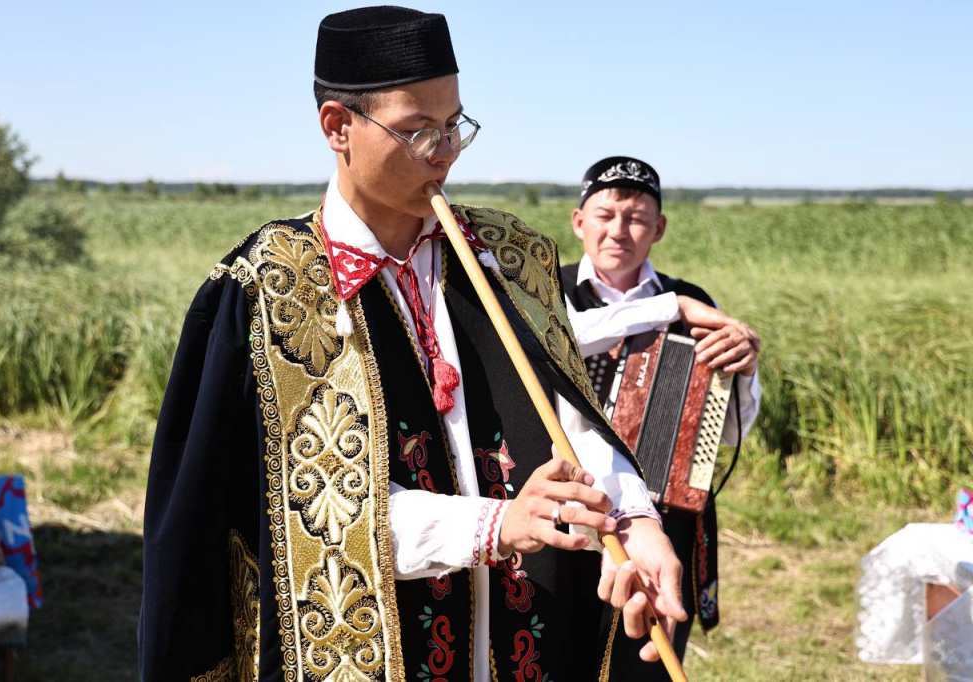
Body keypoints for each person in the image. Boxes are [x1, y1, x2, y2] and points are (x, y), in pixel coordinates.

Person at [139, 10, 685, 682]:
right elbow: (310, 513)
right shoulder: (269, 289)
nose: (445, 151)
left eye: (455, 124)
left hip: (521, 649)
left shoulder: (506, 257)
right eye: (416, 128)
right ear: (338, 127)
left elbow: (571, 418)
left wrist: (635, 520)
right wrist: (494, 525)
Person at [560, 156, 762, 679]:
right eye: (605, 215)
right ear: (579, 222)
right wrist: (667, 309)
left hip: (666, 510)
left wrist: (743, 371)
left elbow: (728, 430)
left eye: (636, 217)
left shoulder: (696, 301)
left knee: (646, 661)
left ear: (659, 228)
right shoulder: (550, 293)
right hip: (572, 508)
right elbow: (563, 340)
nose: (618, 230)